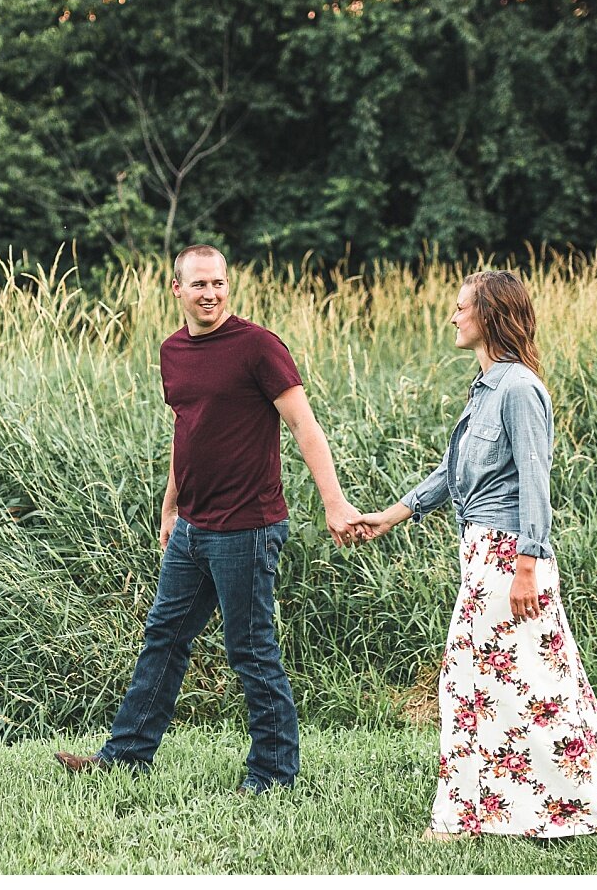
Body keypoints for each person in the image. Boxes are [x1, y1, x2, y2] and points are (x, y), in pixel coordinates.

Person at [354, 270, 597, 841]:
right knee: (498, 688)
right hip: (483, 556)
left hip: (510, 559)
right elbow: (455, 472)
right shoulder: (485, 388)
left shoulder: (519, 390)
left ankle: (477, 820)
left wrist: (526, 568)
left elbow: (535, 481)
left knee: (508, 687)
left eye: (461, 307)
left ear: (488, 316)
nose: (452, 317)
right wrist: (390, 517)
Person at [54, 244, 363, 793]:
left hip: (247, 527)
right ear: (177, 290)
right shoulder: (173, 351)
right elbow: (187, 433)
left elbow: (305, 428)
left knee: (250, 649)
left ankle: (272, 774)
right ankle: (124, 757)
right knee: (164, 638)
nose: (210, 294)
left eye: (218, 283)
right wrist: (171, 507)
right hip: (193, 527)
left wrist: (333, 502)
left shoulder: (258, 347)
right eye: (198, 285)